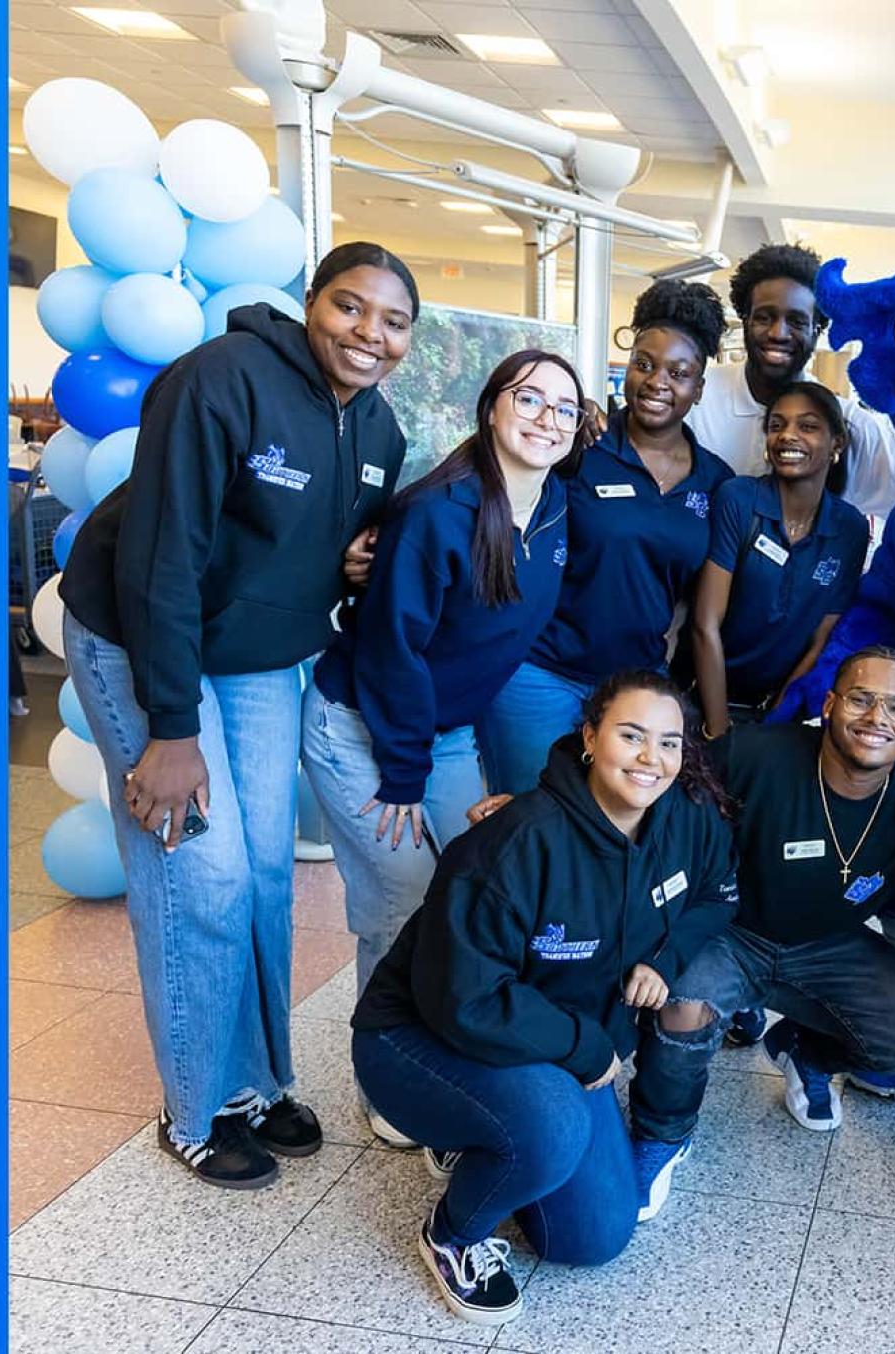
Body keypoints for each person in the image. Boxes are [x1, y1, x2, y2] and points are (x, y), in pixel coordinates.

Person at [58, 242, 417, 1188]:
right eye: (350, 307)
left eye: (392, 321)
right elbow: (161, 554)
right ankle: (192, 1108)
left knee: (261, 876)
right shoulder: (222, 378)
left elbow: (317, 534)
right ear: (311, 303)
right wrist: (171, 730)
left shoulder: (379, 431)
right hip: (140, 638)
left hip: (254, 656)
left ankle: (253, 1084)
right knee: (199, 877)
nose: (368, 334)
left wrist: (350, 560)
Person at [350, 671, 739, 1326]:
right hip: (419, 1039)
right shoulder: (515, 844)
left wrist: (664, 959)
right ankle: (452, 1235)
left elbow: (717, 894)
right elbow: (466, 1000)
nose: (651, 759)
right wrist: (586, 1048)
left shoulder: (686, 820)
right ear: (589, 737)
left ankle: (484, 1134)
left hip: (544, 1042)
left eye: (668, 743)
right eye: (631, 736)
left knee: (593, 1237)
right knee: (554, 1125)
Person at [298, 349, 592, 1143]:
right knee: (401, 899)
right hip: (365, 727)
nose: (547, 419)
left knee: (468, 889)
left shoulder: (557, 505)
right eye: (530, 399)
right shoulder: (441, 509)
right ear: (492, 406)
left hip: (445, 728)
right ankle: (386, 1074)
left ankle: (451, 1046)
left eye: (564, 409)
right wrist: (402, 772)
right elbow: (392, 649)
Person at [615, 647, 895, 1214]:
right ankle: (662, 1134)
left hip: (827, 946)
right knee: (683, 1006)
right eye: (861, 699)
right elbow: (658, 801)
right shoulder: (756, 753)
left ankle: (805, 1052)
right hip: (731, 932)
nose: (877, 717)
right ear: (829, 705)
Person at [476, 280, 733, 796]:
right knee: (527, 817)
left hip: (635, 688)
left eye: (679, 374)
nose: (658, 382)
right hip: (541, 673)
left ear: (699, 388)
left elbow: (695, 599)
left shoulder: (716, 480)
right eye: (644, 364)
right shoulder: (578, 448)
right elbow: (489, 489)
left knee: (613, 823)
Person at [684, 380, 869, 736]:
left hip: (777, 712)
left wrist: (776, 723)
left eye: (808, 426)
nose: (788, 435)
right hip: (703, 702)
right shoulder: (738, 499)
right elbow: (704, 624)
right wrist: (719, 731)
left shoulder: (851, 528)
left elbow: (821, 640)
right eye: (777, 425)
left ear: (837, 443)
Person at [684, 242, 895, 519]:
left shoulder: (846, 423)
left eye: (797, 321)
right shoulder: (696, 395)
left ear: (818, 330)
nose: (778, 333)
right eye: (764, 318)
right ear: (745, 321)